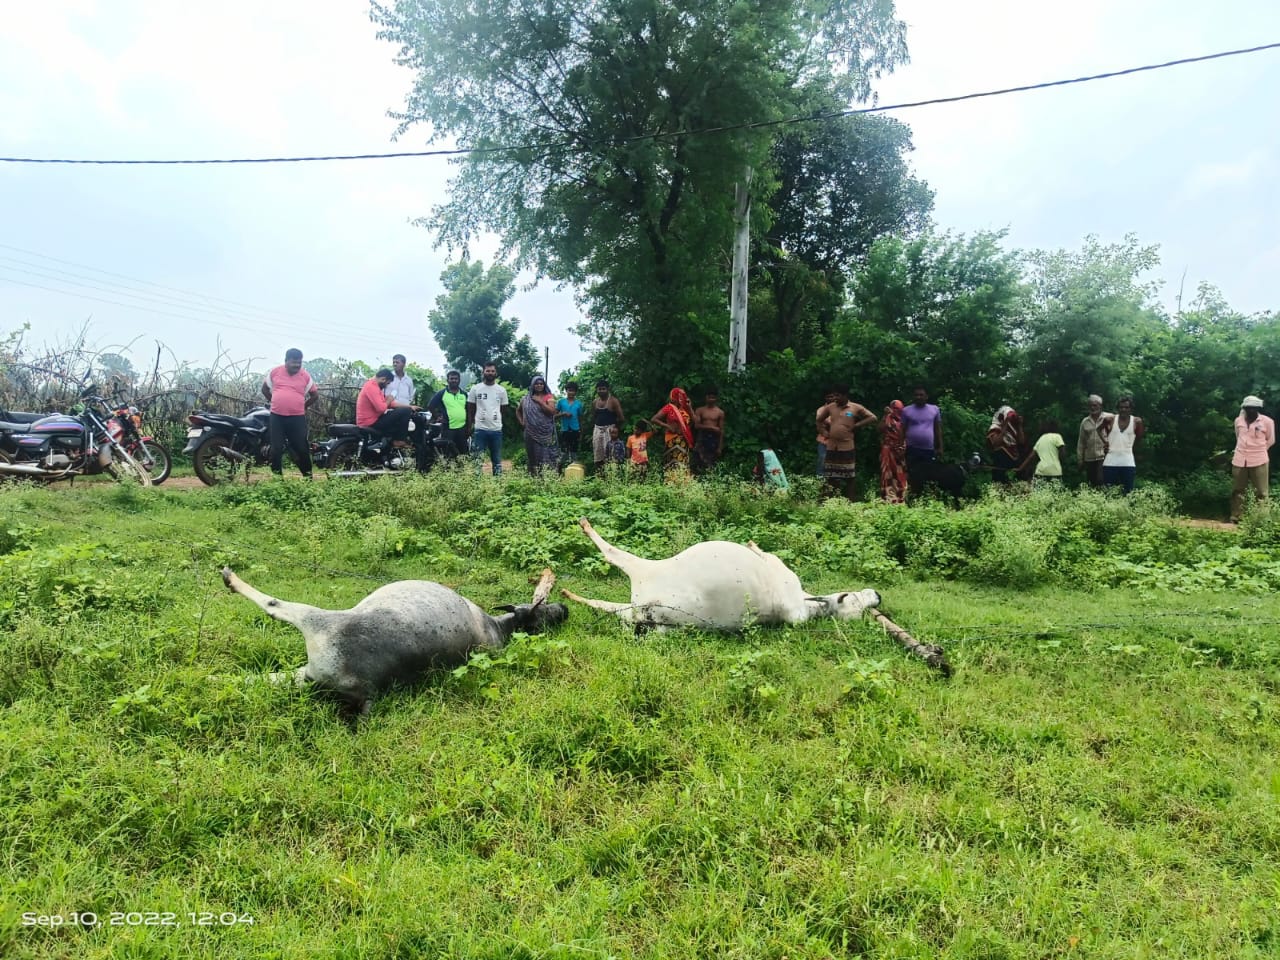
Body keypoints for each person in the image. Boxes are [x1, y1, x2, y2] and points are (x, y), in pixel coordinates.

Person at [261, 347, 318, 479]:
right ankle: (278, 480)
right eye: (294, 362)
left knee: (302, 449)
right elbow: (264, 389)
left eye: (299, 362)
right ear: (286, 361)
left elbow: (315, 395)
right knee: (276, 450)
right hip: (277, 417)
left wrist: (304, 406)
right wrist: (274, 401)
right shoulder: (275, 372)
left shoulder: (305, 376)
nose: (297, 365)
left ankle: (308, 478)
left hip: (297, 418)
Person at [816, 384, 877, 499]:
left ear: (845, 396)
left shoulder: (855, 407)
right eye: (834, 396)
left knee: (849, 476)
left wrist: (857, 425)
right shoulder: (830, 407)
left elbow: (873, 418)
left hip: (847, 446)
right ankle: (829, 500)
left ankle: (851, 501)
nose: (835, 398)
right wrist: (823, 432)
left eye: (838, 396)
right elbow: (819, 420)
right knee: (830, 475)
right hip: (832, 447)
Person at [1229, 395, 1275, 522]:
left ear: (1258, 408)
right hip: (1240, 459)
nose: (1251, 411)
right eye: (1248, 408)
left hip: (1259, 459)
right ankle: (1237, 516)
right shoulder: (1238, 421)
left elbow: (1271, 440)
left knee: (1261, 492)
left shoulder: (1267, 421)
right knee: (1237, 490)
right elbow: (1238, 437)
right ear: (1244, 408)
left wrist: (1259, 450)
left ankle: (1262, 518)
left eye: (1254, 408)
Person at [466, 362, 511, 476]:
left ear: (496, 373)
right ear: (483, 372)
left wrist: (495, 418)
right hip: (479, 429)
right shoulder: (475, 388)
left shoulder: (501, 390)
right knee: (478, 459)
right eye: (488, 371)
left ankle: (497, 483)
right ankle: (477, 483)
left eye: (492, 371)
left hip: (496, 430)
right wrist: (470, 425)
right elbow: (470, 409)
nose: (490, 373)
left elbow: (504, 409)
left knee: (496, 459)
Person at [902, 385, 943, 499]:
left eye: (921, 395)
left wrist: (940, 447)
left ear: (926, 396)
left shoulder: (934, 409)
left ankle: (929, 498)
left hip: (928, 449)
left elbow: (938, 429)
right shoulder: (906, 410)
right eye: (916, 395)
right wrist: (901, 446)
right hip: (911, 448)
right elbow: (902, 430)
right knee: (912, 474)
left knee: (930, 474)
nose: (919, 397)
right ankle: (913, 497)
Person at [357, 367, 416, 443]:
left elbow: (390, 404)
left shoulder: (374, 386)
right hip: (370, 423)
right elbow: (381, 408)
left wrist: (410, 406)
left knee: (405, 410)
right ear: (383, 379)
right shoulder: (371, 387)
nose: (387, 386)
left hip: (373, 420)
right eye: (387, 383)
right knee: (406, 411)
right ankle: (400, 440)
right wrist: (389, 399)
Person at [515, 374, 559, 476]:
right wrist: (522, 422)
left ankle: (547, 477)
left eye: (541, 384)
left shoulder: (549, 397)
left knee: (545, 455)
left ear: (544, 385)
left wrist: (540, 402)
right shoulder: (526, 398)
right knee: (532, 457)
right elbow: (518, 411)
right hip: (529, 433)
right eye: (536, 384)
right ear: (532, 385)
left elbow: (552, 411)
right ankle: (534, 477)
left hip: (545, 433)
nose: (539, 386)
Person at [649, 387, 695, 482]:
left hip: (683, 441)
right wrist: (667, 426)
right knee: (673, 464)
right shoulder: (668, 408)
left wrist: (690, 408)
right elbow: (654, 419)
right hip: (672, 440)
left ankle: (683, 486)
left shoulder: (686, 409)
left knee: (682, 464)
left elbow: (696, 421)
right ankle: (671, 485)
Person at [1100, 395, 1143, 494]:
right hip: (1110, 461)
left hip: (1127, 461)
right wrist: (1105, 441)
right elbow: (1099, 429)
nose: (1123, 409)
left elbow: (1139, 438)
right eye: (1121, 407)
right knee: (1108, 492)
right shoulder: (1110, 419)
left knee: (1128, 492)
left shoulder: (1137, 421)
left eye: (1126, 407)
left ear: (1131, 409)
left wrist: (1132, 448)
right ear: (1118, 408)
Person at [427, 370, 470, 457]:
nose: (454, 380)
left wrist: (469, 427)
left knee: (464, 452)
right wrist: (437, 416)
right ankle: (449, 470)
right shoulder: (442, 393)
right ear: (448, 380)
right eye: (451, 379)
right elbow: (430, 406)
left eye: (456, 379)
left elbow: (469, 410)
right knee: (448, 453)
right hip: (448, 428)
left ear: (459, 380)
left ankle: (463, 470)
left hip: (462, 428)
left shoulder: (464, 394)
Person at [1018, 420, 1067, 485]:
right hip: (1055, 471)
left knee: (1039, 493)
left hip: (1041, 471)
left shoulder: (1041, 439)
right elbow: (1062, 452)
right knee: (1055, 493)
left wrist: (1020, 468)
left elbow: (1030, 457)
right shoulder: (1057, 436)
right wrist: (1062, 459)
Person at [986, 405, 1026, 483]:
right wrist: (1004, 427)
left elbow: (1021, 441)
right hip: (1001, 458)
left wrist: (1020, 426)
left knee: (1019, 479)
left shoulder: (1013, 427)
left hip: (1014, 458)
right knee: (1000, 481)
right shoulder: (995, 427)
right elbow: (995, 443)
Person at [591, 380, 624, 472]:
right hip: (597, 429)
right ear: (596, 390)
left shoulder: (613, 401)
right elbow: (594, 416)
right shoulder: (595, 402)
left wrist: (614, 429)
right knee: (598, 454)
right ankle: (600, 475)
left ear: (608, 389)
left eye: (603, 389)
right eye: (599, 389)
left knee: (610, 453)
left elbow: (621, 418)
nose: (601, 391)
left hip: (610, 429)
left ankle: (611, 474)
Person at [879, 399, 907, 504]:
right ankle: (888, 497)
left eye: (898, 408)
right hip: (887, 450)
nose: (896, 410)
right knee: (887, 473)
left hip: (900, 450)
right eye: (894, 408)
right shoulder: (888, 418)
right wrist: (885, 416)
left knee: (900, 473)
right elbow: (880, 429)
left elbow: (906, 435)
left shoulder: (904, 419)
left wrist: (902, 449)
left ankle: (901, 496)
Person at [1077, 394, 1109, 488]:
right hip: (1089, 457)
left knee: (1101, 480)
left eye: (1095, 405)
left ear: (1100, 406)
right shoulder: (1085, 421)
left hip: (1104, 456)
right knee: (1091, 483)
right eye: (1090, 405)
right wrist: (1080, 459)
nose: (1092, 407)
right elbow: (1081, 442)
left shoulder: (1108, 418)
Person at [692, 387, 726, 474]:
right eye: (709, 397)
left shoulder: (720, 412)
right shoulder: (700, 410)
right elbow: (696, 425)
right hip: (702, 436)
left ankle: (709, 479)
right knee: (697, 460)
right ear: (706, 397)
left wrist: (720, 447)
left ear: (716, 398)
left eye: (713, 397)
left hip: (713, 439)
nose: (711, 399)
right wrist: (711, 428)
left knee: (711, 462)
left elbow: (721, 430)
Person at [555, 381, 584, 466]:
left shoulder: (578, 403)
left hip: (575, 430)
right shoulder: (561, 402)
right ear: (566, 391)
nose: (571, 392)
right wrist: (563, 414)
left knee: (574, 452)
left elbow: (581, 418)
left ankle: (574, 472)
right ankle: (559, 470)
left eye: (573, 390)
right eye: (569, 390)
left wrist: (582, 432)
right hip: (565, 430)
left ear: (576, 392)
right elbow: (554, 416)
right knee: (564, 452)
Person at [815, 388, 835, 477]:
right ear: (825, 398)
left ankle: (835, 486)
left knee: (837, 465)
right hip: (824, 441)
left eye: (833, 396)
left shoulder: (842, 408)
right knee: (822, 461)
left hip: (839, 442)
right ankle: (820, 483)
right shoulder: (821, 410)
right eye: (829, 397)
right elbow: (821, 425)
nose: (831, 398)